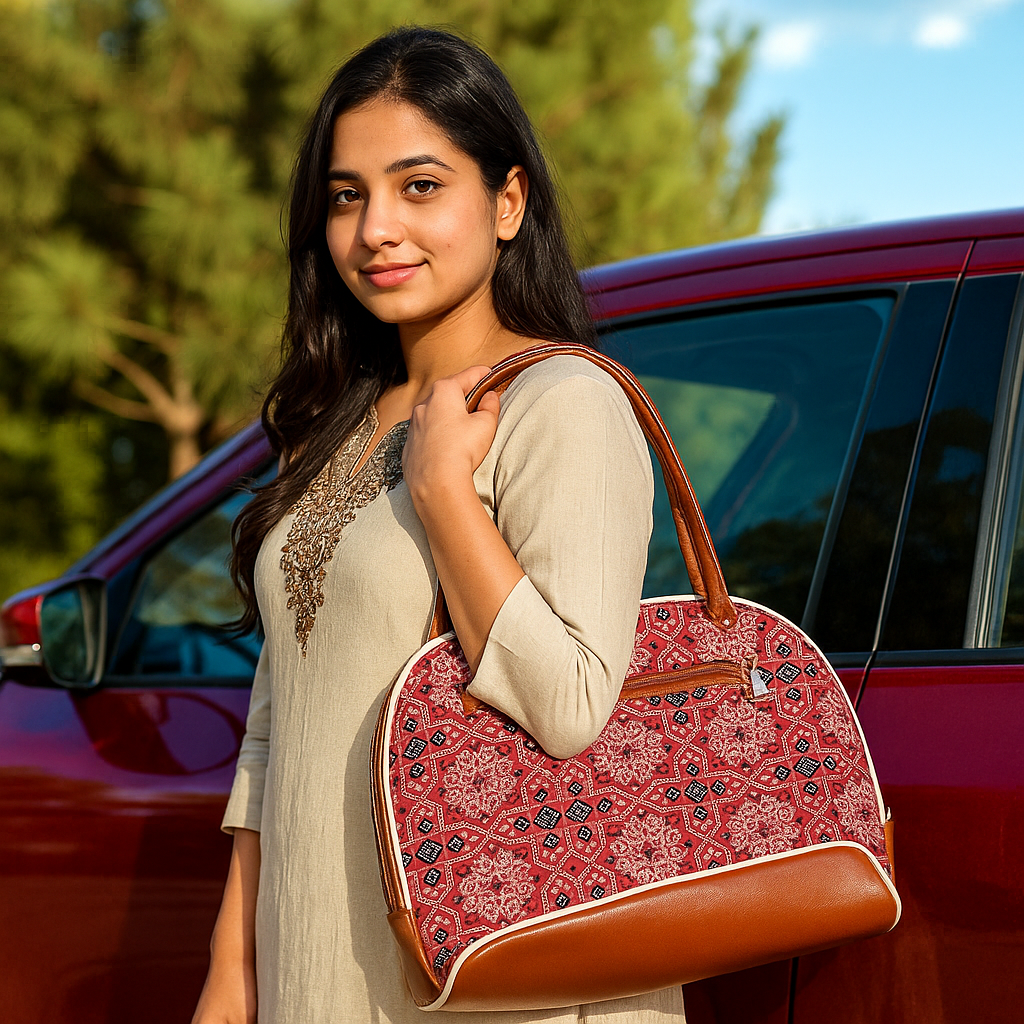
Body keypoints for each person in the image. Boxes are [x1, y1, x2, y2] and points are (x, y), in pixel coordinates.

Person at [192, 26, 683, 1024]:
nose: (374, 227)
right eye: (346, 194)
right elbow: (276, 719)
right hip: (316, 960)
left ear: (508, 202)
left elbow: (573, 702)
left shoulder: (561, 403)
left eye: (419, 186)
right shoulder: (332, 425)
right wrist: (230, 970)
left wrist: (447, 495)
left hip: (486, 983)